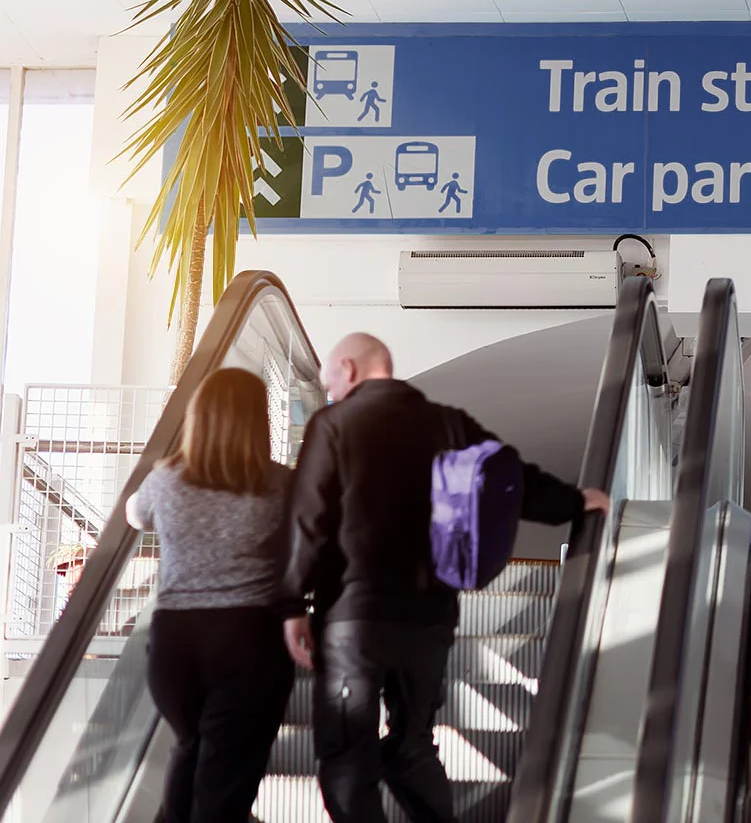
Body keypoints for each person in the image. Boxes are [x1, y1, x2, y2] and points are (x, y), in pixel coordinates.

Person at [280, 333, 609, 823]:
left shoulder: (334, 425)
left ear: (348, 369)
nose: (327, 391)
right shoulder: (446, 423)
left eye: (328, 380)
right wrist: (576, 501)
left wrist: (290, 605)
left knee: (348, 757)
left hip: (354, 621)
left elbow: (308, 520)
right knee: (412, 749)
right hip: (429, 621)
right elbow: (510, 477)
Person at [127, 368, 296, 823]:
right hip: (248, 638)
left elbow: (134, 516)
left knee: (190, 745)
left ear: (198, 416)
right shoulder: (280, 484)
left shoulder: (165, 479)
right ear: (257, 421)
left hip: (175, 642)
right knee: (229, 771)